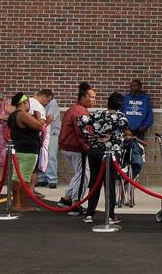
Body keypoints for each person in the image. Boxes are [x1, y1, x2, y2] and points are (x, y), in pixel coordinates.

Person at [79, 92, 130, 224]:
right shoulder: (120, 116)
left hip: (95, 150)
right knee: (110, 184)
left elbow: (80, 120)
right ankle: (110, 215)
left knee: (95, 182)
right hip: (111, 153)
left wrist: (89, 136)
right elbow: (125, 128)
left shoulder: (97, 114)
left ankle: (89, 214)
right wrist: (112, 137)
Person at [58, 82, 95, 211]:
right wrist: (89, 148)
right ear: (83, 97)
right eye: (91, 97)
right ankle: (75, 203)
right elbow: (83, 133)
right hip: (76, 148)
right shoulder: (80, 112)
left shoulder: (74, 109)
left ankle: (67, 198)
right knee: (84, 175)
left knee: (79, 173)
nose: (94, 100)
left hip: (67, 146)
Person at [7, 93, 44, 212]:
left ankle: (17, 203)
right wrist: (39, 117)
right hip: (27, 150)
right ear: (24, 103)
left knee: (18, 176)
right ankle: (20, 204)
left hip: (19, 149)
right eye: (28, 102)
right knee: (24, 178)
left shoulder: (13, 115)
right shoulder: (22, 114)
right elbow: (39, 126)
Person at [123, 79, 154, 179]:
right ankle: (124, 173)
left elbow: (149, 115)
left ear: (140, 87)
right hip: (127, 130)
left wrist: (145, 126)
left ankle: (135, 175)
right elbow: (121, 111)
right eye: (131, 86)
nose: (132, 88)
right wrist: (124, 125)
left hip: (139, 130)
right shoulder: (127, 98)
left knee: (138, 153)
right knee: (125, 153)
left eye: (135, 86)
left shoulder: (145, 99)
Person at [30, 89, 55, 191]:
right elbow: (39, 125)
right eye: (48, 101)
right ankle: (30, 190)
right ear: (44, 97)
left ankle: (31, 189)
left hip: (32, 139)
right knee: (33, 167)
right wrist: (48, 121)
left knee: (32, 167)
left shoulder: (29, 102)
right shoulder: (38, 106)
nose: (47, 103)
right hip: (35, 139)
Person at [43, 91, 62, 189]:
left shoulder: (53, 103)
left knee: (51, 156)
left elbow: (49, 118)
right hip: (43, 132)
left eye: (48, 99)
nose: (46, 100)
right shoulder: (41, 104)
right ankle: (42, 179)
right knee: (43, 156)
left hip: (52, 133)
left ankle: (52, 180)